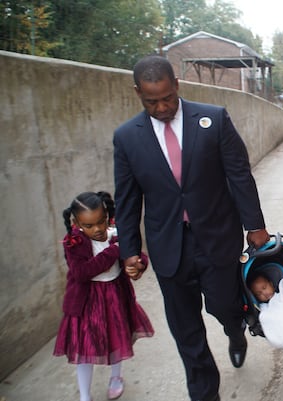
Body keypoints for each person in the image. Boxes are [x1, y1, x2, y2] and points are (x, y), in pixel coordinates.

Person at [113, 55, 270, 401]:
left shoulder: (213, 119)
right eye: (151, 101)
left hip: (217, 237)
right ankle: (204, 392)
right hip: (168, 246)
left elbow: (239, 174)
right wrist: (129, 250)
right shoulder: (127, 138)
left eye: (167, 97)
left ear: (177, 86)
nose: (162, 106)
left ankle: (235, 330)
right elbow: (126, 200)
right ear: (138, 93)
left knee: (224, 305)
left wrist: (255, 226)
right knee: (186, 328)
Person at [53, 191, 154, 401]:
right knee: (84, 349)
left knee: (117, 339)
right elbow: (81, 273)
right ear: (76, 223)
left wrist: (139, 264)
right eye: (89, 226)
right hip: (87, 304)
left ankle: (116, 378)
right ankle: (84, 395)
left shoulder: (117, 234)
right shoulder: (73, 242)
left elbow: (138, 255)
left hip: (115, 298)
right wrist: (113, 251)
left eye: (101, 221)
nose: (98, 229)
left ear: (107, 215)